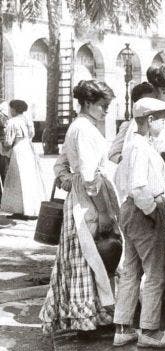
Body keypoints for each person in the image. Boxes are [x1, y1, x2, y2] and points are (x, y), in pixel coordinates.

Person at [40, 80, 120, 334]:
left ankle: (90, 315)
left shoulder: (80, 126)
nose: (106, 111)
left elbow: (60, 165)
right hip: (89, 204)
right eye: (102, 106)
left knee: (85, 257)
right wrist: (105, 211)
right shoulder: (83, 129)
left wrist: (68, 181)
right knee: (91, 254)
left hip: (80, 200)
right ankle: (86, 318)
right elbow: (88, 176)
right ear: (87, 103)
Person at [112, 97, 165, 348]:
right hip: (143, 211)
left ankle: (123, 328)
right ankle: (150, 331)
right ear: (150, 120)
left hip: (129, 210)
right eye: (162, 118)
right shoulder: (140, 147)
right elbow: (139, 186)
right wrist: (153, 210)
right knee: (155, 272)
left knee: (131, 270)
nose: (164, 122)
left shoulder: (135, 145)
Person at [0, 100, 47, 218]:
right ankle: (29, 210)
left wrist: (3, 142)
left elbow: (8, 142)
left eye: (11, 109)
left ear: (14, 109)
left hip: (18, 151)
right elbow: (31, 134)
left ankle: (21, 210)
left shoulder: (12, 122)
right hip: (28, 149)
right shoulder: (26, 120)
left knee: (18, 180)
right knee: (29, 180)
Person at [108, 82, 155, 163]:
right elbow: (113, 154)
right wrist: (128, 161)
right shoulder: (128, 126)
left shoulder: (160, 122)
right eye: (145, 102)